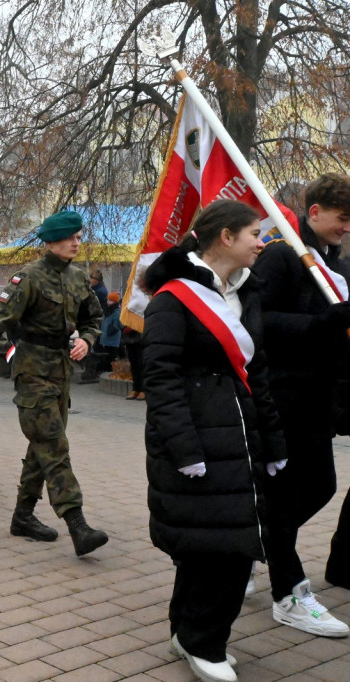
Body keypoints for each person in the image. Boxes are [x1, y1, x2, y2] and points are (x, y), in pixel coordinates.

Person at [143, 199, 286, 682]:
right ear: (226, 236)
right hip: (196, 444)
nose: (260, 242)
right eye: (253, 234)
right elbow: (159, 379)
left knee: (216, 544)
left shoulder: (245, 293)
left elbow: (256, 373)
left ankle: (188, 632)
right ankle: (204, 643)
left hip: (239, 439)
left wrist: (274, 442)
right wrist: (184, 449)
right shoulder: (172, 298)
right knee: (219, 547)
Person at [0, 210, 108, 556]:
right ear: (52, 241)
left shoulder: (78, 277)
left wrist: (86, 338)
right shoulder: (28, 278)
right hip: (32, 374)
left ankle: (23, 516)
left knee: (41, 446)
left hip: (61, 374)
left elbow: (93, 317)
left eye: (79, 236)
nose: (76, 242)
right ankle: (77, 524)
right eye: (70, 237)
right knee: (54, 447)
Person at [252, 172, 350, 637]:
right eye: (341, 218)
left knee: (321, 488)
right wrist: (317, 324)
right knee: (289, 493)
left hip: (319, 400)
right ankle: (289, 591)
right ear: (315, 212)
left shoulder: (337, 266)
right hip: (281, 396)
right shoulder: (282, 255)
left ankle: (256, 543)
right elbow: (255, 318)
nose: (347, 228)